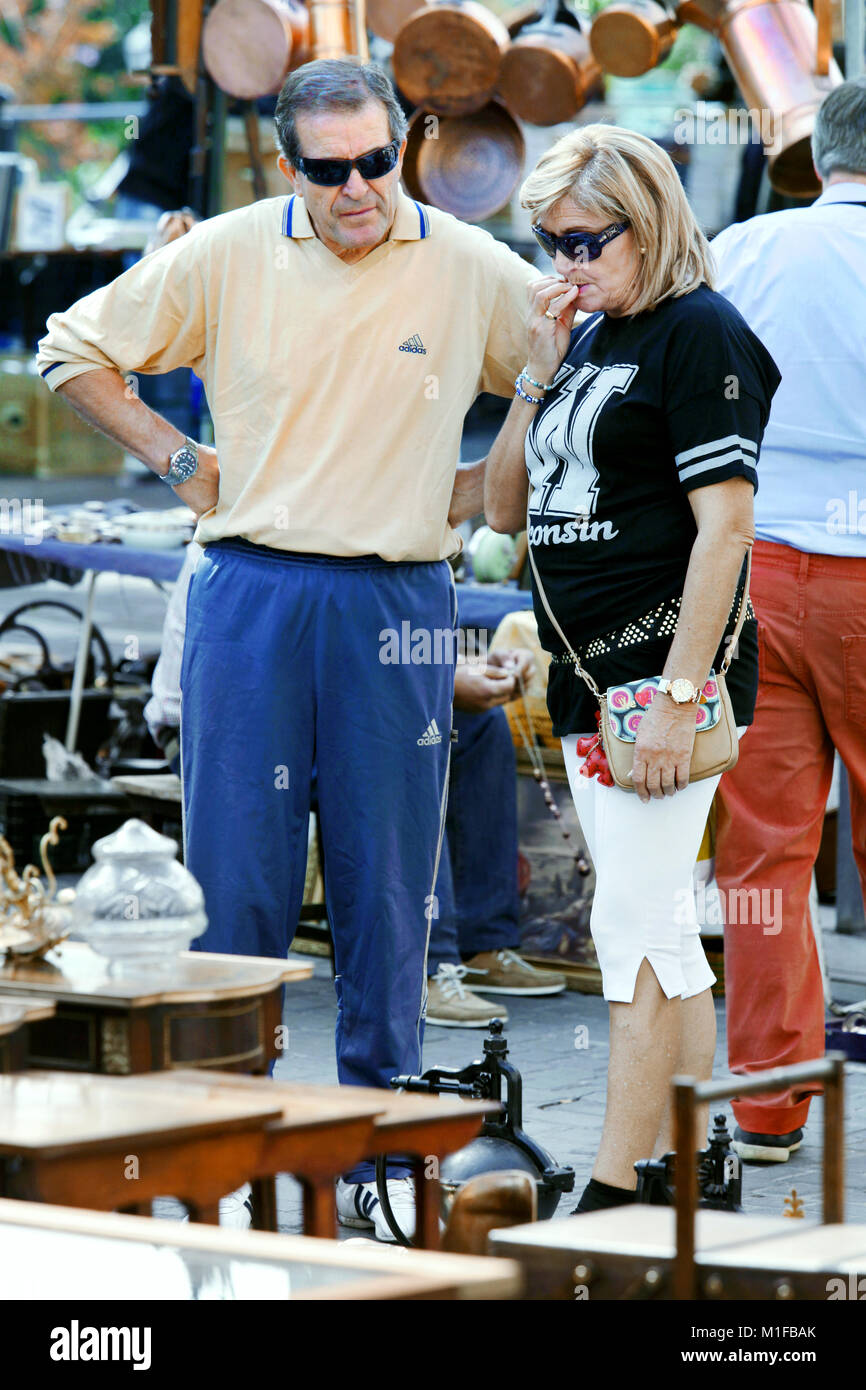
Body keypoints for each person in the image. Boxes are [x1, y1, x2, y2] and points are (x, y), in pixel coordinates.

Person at [35, 59, 540, 1242]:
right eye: (330, 169)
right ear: (286, 164)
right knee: (235, 889)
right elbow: (68, 348)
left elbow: (571, 370)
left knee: (385, 888)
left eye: (376, 159)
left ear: (404, 142)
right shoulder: (225, 248)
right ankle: (225, 1146)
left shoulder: (470, 262)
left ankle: (369, 1142)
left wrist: (475, 488)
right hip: (251, 590)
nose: (360, 187)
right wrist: (176, 458)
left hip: (400, 598)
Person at [484, 124, 780, 1213]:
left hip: (657, 673)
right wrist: (532, 371)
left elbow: (727, 529)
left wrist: (679, 692)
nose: (563, 262)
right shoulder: (592, 333)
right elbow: (503, 506)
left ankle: (618, 1183)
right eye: (546, 241)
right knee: (655, 924)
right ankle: (695, 1162)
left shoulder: (698, 331)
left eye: (581, 240)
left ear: (643, 223)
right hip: (587, 673)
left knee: (631, 930)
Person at [709, 78, 866, 1163]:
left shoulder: (740, 248)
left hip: (755, 565)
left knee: (762, 851)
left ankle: (764, 1104)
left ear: (817, 157)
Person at [427, 650, 567, 1027]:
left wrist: (474, 662)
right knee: (411, 732)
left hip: (397, 672)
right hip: (328, 713)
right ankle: (423, 966)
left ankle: (480, 943)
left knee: (483, 724)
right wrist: (439, 677)